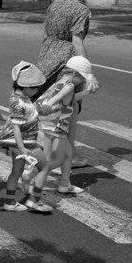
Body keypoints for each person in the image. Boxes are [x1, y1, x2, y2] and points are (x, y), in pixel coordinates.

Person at [37, 0, 98, 168]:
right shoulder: (81, 10)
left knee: (48, 105)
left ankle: (44, 151)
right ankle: (67, 157)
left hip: (46, 55)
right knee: (70, 109)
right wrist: (89, 74)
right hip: (67, 62)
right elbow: (77, 41)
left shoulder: (55, 4)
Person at [30, 57, 99, 200]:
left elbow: (71, 99)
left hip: (48, 125)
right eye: (82, 79)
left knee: (67, 154)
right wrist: (51, 103)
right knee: (57, 160)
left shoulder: (59, 83)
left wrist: (88, 92)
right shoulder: (70, 85)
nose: (82, 82)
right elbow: (64, 96)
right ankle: (32, 177)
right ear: (75, 74)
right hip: (57, 127)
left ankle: (64, 184)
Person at [0, 62, 49, 213]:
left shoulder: (19, 96)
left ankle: (9, 202)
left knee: (16, 172)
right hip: (26, 142)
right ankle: (34, 200)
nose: (37, 90)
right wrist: (22, 148)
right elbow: (16, 127)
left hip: (20, 142)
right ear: (25, 87)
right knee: (44, 167)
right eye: (35, 87)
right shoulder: (18, 102)